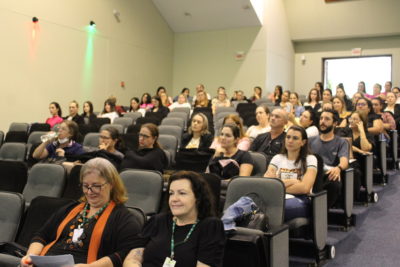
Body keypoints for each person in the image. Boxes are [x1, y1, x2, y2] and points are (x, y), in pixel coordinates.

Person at [20, 157, 142, 266]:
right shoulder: (70, 209)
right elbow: (41, 235)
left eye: (96, 186)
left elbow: (124, 254)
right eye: (85, 185)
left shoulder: (124, 218)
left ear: (111, 185)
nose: (89, 191)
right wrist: (31, 257)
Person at [123, 171, 225, 267]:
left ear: (197, 198)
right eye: (171, 193)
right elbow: (133, 257)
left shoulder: (210, 226)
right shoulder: (157, 221)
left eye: (182, 193)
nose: (174, 199)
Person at [264, 126, 317, 221]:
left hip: (300, 199)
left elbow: (305, 188)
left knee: (276, 208)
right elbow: (267, 183)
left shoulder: (310, 159)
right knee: (248, 201)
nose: (290, 140)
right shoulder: (277, 158)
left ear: (303, 142)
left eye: (295, 138)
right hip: (277, 196)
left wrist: (278, 182)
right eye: (288, 137)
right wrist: (294, 181)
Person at [309, 109, 349, 208]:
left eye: (327, 119)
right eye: (321, 118)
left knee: (335, 184)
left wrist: (338, 168)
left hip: (327, 174)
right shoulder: (310, 140)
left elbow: (344, 161)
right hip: (311, 173)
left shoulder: (341, 142)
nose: (322, 121)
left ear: (335, 123)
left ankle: (321, 212)